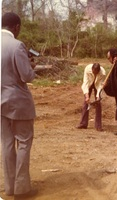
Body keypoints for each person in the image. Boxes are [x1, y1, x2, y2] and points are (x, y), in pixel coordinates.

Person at [1, 12, 38, 199]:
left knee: (7, 144)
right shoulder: (17, 46)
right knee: (23, 142)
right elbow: (26, 76)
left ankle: (9, 187)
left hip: (0, 103)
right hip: (19, 103)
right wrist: (32, 66)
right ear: (16, 27)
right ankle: (21, 189)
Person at [77, 63, 106, 131]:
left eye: (96, 73)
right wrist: (87, 97)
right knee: (85, 102)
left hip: (97, 84)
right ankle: (83, 124)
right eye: (94, 72)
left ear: (99, 71)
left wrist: (98, 96)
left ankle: (98, 126)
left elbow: (100, 86)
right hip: (89, 84)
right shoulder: (87, 69)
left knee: (98, 104)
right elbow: (85, 83)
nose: (95, 74)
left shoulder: (103, 73)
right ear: (92, 69)